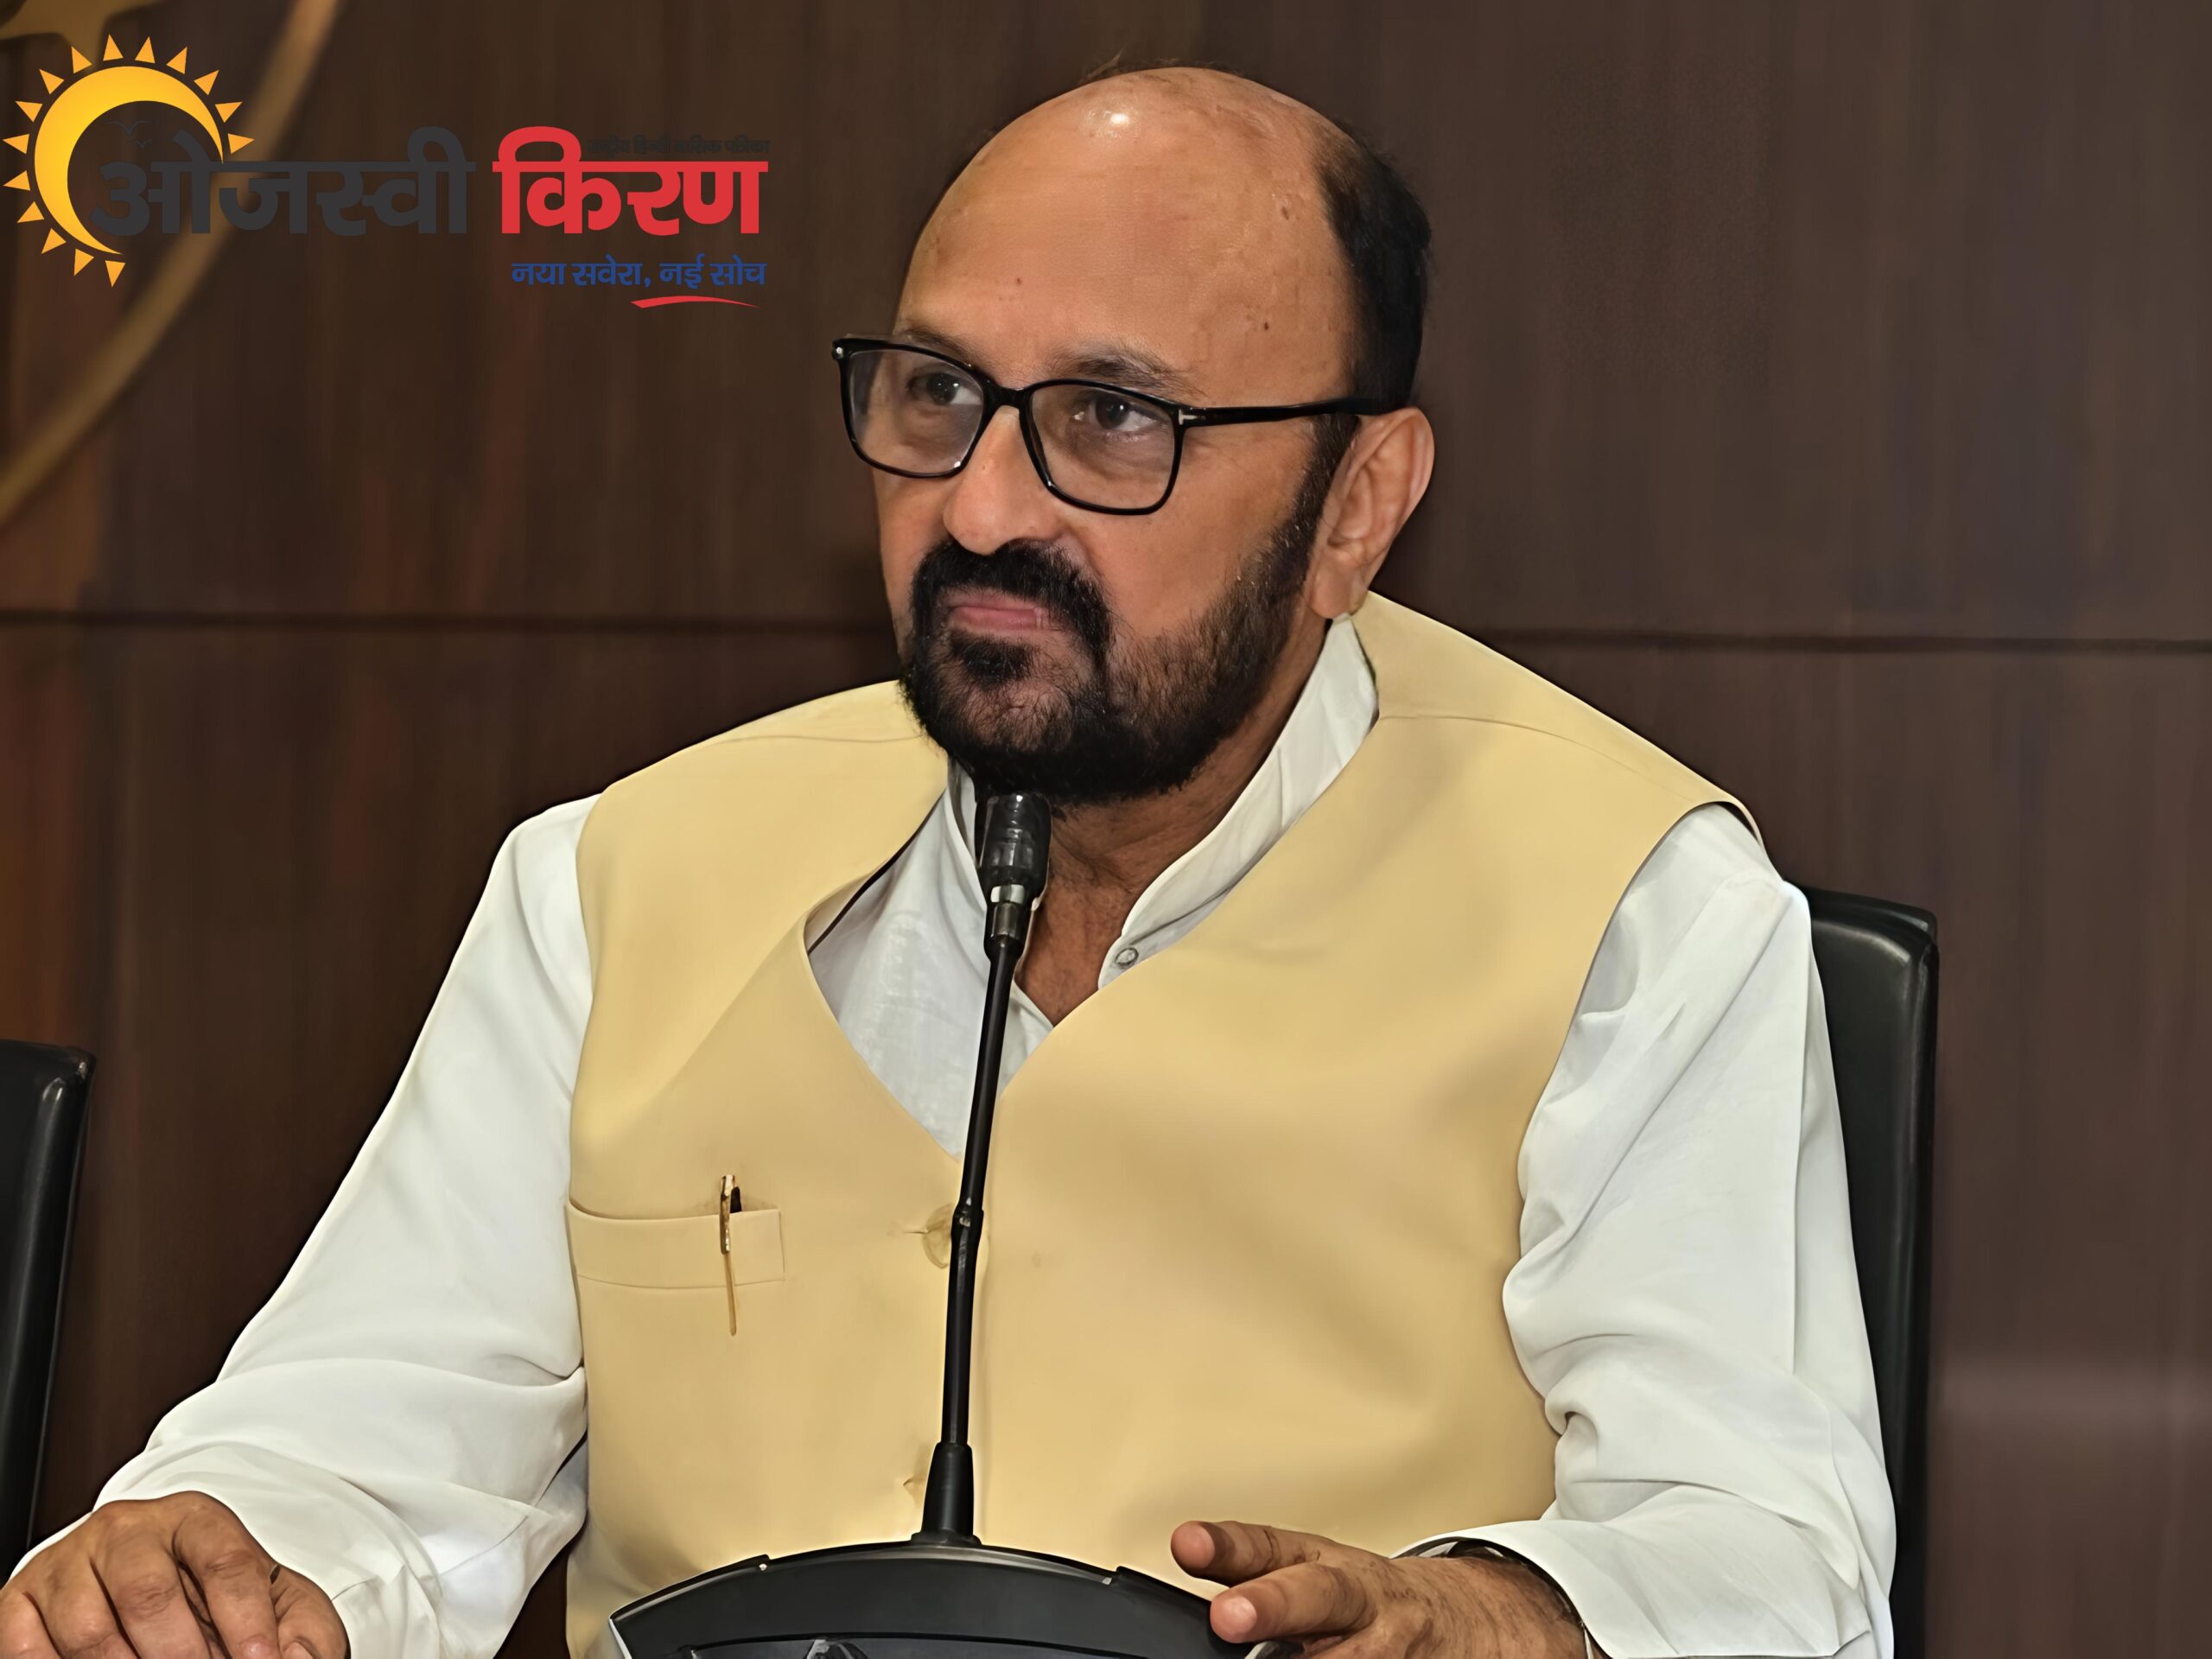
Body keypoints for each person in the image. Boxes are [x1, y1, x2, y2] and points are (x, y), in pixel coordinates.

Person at [1, 65, 1894, 1659]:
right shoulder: (614, 882)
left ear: (1357, 504)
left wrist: (1497, 1615)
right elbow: (355, 1446)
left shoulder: (1629, 909)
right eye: (936, 396)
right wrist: (208, 1569)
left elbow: (1765, 1557)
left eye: (1112, 421)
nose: (981, 506)